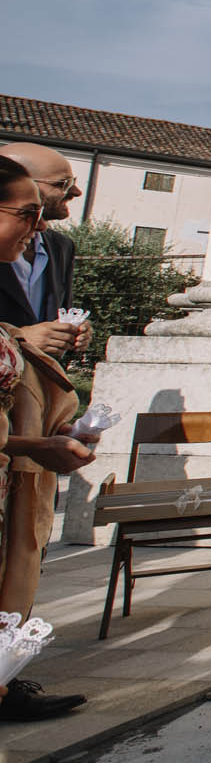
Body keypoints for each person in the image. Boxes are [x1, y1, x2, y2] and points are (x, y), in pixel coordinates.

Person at [0, 154, 94, 723]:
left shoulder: (58, 249)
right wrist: (17, 337)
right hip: (15, 428)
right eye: (28, 212)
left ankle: (6, 672)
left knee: (23, 545)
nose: (39, 225)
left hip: (32, 411)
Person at [0, 143, 90, 364]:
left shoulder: (62, 247)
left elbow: (57, 311)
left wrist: (71, 332)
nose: (76, 192)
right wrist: (17, 339)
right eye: (62, 184)